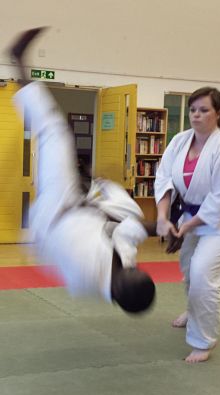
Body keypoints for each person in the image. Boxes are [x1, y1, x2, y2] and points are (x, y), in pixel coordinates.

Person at [9, 28, 156, 314]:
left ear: (119, 290)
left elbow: (114, 228)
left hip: (53, 213)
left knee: (54, 131)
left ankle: (17, 60)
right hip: (78, 206)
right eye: (139, 270)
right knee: (131, 212)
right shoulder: (123, 266)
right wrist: (171, 228)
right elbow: (129, 231)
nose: (135, 267)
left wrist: (89, 194)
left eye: (134, 273)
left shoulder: (85, 273)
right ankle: (93, 185)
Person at [155, 87, 220, 363]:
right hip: (193, 215)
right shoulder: (179, 141)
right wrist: (164, 218)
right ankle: (194, 308)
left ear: (219, 113)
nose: (196, 115)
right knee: (189, 266)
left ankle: (203, 340)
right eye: (193, 110)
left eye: (204, 110)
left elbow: (219, 204)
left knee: (203, 273)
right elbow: (163, 179)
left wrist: (183, 228)